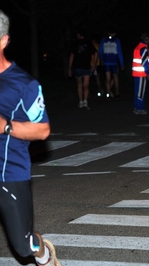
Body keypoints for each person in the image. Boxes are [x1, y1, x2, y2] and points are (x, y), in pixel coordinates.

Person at [0, 10, 61, 266]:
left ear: (3, 41)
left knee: (23, 247)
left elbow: (42, 130)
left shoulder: (24, 84)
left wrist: (5, 127)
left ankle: (43, 252)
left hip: (8, 171)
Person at [68, 29, 97, 109]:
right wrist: (93, 65)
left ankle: (83, 101)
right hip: (84, 66)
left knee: (81, 84)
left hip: (80, 66)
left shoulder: (82, 43)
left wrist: (70, 67)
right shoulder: (86, 43)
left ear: (79, 35)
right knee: (85, 85)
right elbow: (95, 53)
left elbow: (71, 55)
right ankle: (83, 101)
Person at [98, 27, 124, 99]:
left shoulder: (104, 40)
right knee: (115, 77)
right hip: (114, 62)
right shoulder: (116, 40)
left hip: (106, 62)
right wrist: (121, 64)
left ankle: (109, 93)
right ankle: (117, 93)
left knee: (108, 78)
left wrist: (102, 59)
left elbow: (100, 51)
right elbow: (119, 52)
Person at [132, 32, 149, 115]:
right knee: (140, 92)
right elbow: (145, 62)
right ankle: (139, 108)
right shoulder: (143, 48)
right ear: (146, 39)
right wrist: (148, 73)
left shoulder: (138, 47)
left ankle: (137, 107)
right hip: (141, 74)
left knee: (137, 91)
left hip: (136, 74)